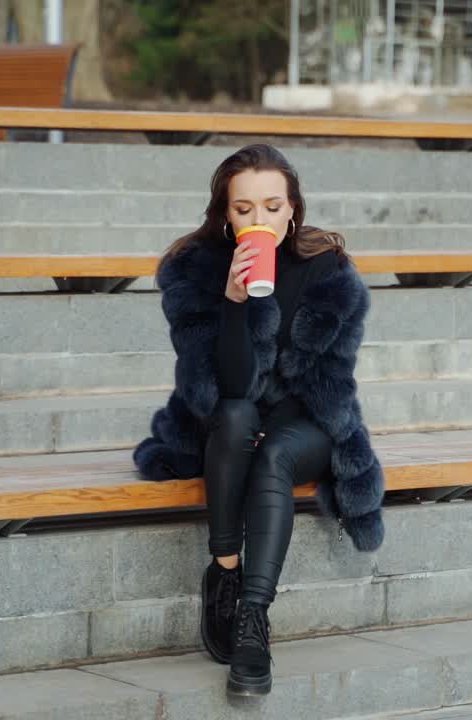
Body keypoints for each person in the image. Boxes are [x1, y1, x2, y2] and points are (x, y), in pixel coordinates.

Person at [134, 144, 385, 698]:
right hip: (226, 416)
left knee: (271, 449)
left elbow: (327, 383)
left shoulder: (329, 271)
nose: (259, 219)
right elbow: (218, 387)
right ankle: (224, 568)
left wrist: (277, 424)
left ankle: (251, 619)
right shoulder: (193, 270)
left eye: (272, 206)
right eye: (243, 209)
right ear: (225, 215)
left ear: (293, 208)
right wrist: (234, 304)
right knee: (235, 414)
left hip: (308, 417)